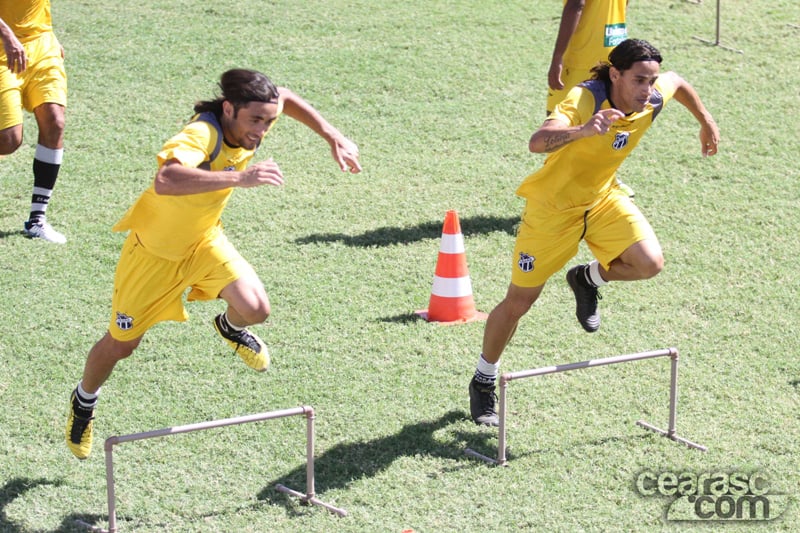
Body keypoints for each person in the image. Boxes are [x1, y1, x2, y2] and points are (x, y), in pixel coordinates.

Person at [65, 68, 362, 459]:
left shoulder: (259, 115)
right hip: (154, 255)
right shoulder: (203, 134)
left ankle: (229, 326)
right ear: (228, 108)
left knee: (256, 309)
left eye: (269, 121)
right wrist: (239, 178)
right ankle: (83, 401)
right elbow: (166, 180)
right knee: (122, 345)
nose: (262, 129)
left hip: (203, 242)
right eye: (255, 119)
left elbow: (284, 96)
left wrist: (332, 135)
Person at [469, 39, 719, 426]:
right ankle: (484, 379)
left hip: (602, 200)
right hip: (552, 212)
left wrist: (705, 120)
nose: (647, 90)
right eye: (639, 80)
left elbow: (677, 81)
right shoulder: (584, 99)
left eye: (650, 81)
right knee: (518, 303)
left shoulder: (650, 99)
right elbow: (537, 142)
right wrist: (582, 131)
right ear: (615, 74)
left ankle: (586, 278)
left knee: (649, 263)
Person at [547, 0, 635, 198]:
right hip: (613, 50)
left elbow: (576, 5)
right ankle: (605, 181)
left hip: (583, 56)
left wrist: (558, 57)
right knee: (607, 119)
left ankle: (559, 190)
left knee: (559, 124)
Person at [0, 0, 68, 243]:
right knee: (8, 141)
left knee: (55, 122)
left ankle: (37, 219)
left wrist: (49, 33)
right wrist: (7, 36)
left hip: (42, 45)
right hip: (3, 47)